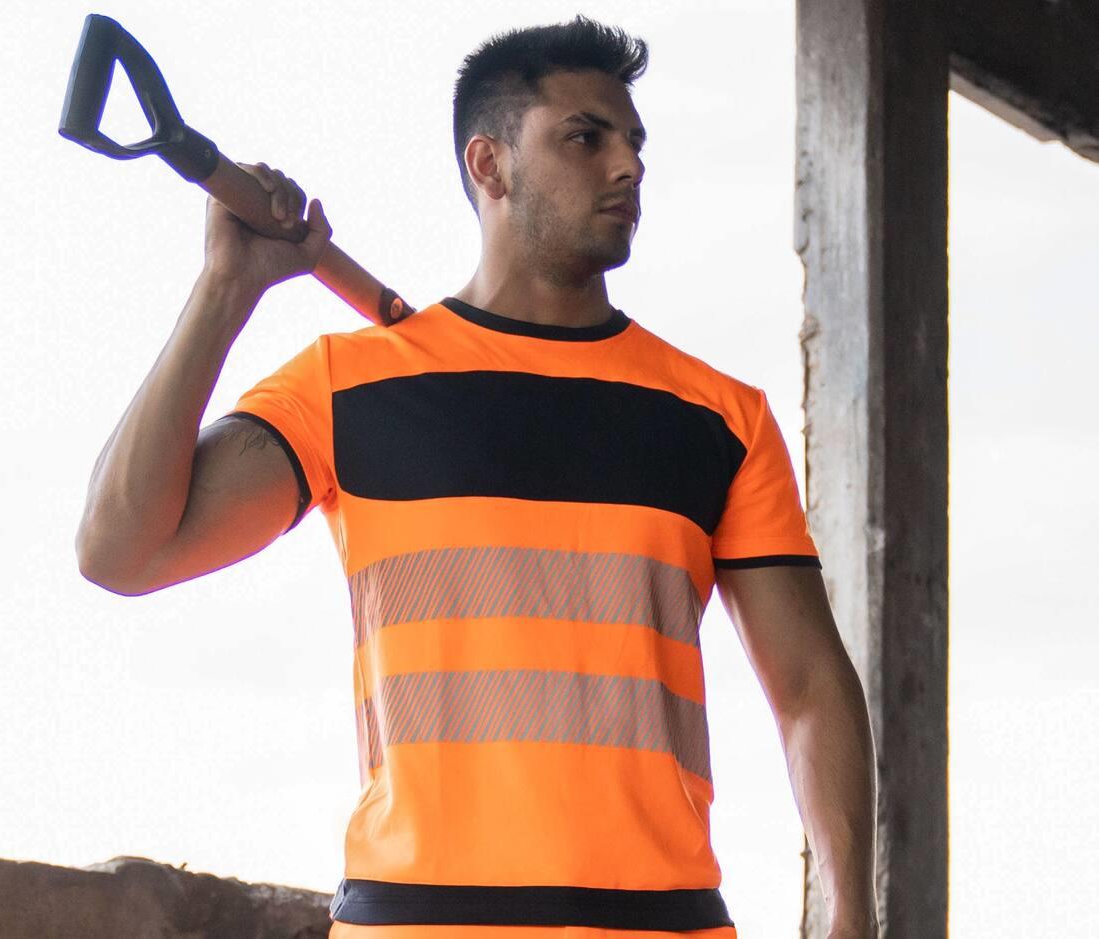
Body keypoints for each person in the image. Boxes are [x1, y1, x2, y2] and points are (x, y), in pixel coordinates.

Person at [75, 14, 880, 939]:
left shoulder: (720, 418)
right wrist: (227, 286)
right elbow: (120, 549)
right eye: (586, 137)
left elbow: (810, 688)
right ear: (489, 165)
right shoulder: (349, 387)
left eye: (634, 141)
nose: (629, 165)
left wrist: (852, 918)